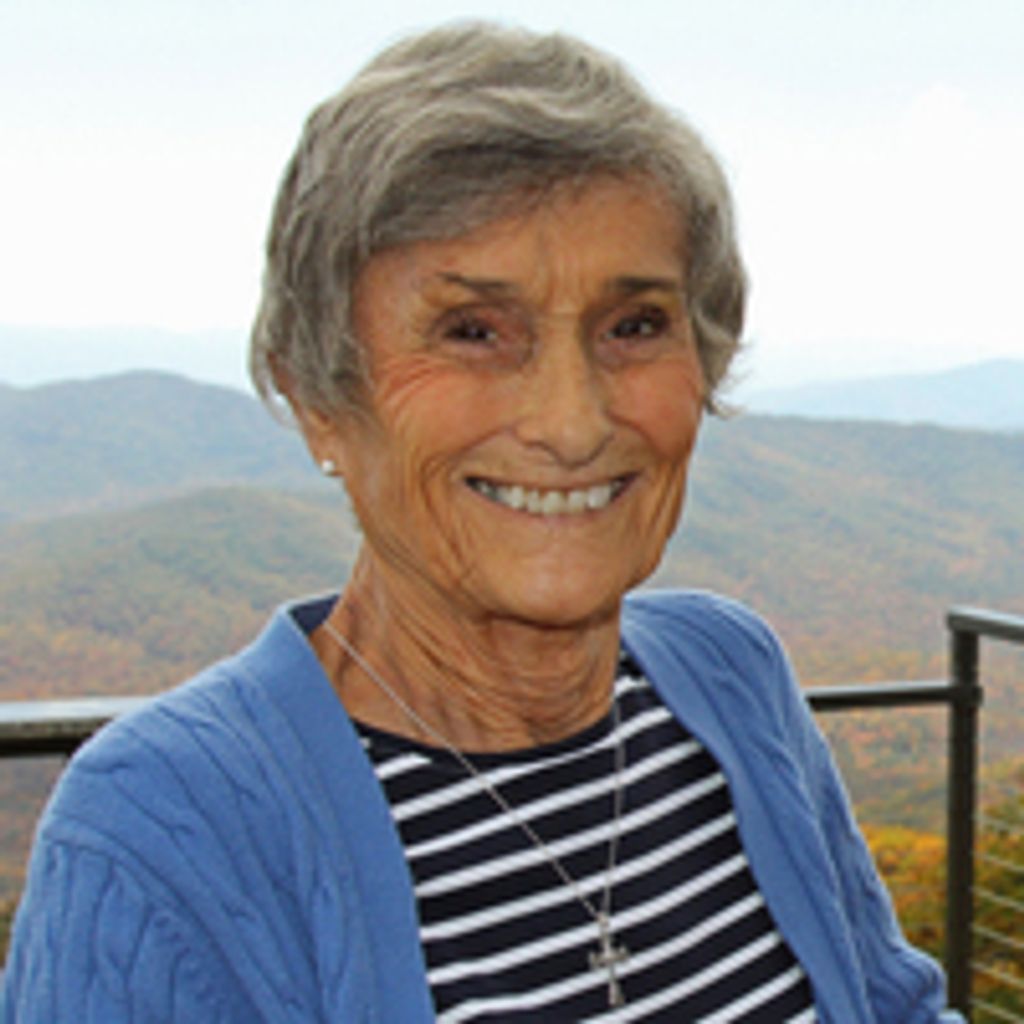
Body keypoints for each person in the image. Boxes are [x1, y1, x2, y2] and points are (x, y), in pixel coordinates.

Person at [2, 22, 961, 1023]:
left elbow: (892, 1006)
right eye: (473, 332)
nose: (572, 423)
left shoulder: (730, 672)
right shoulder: (162, 835)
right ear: (319, 396)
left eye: (634, 325)